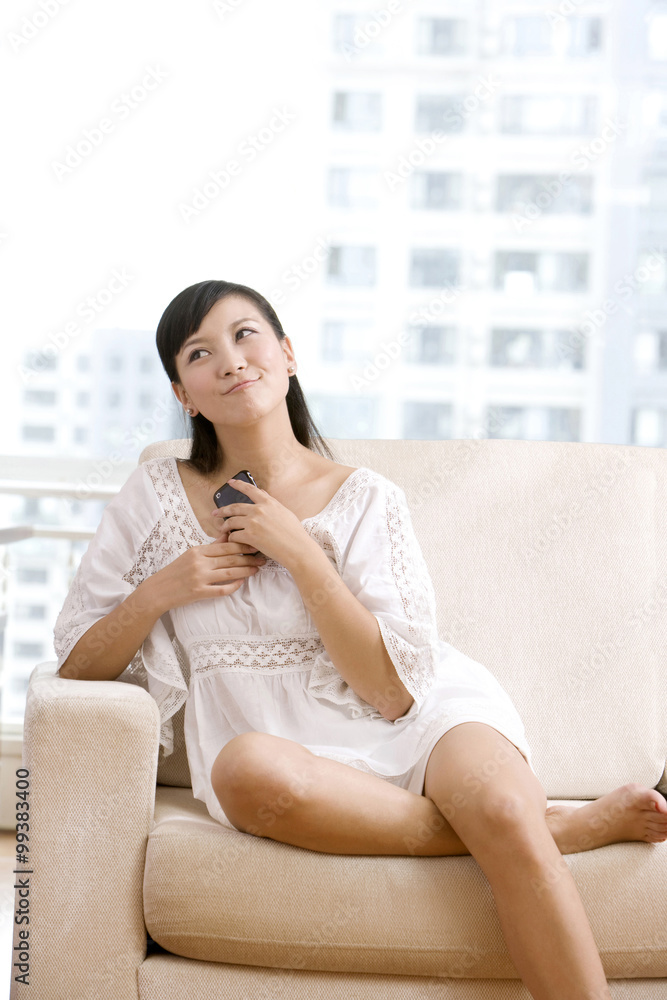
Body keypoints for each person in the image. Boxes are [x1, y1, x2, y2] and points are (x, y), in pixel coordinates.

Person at [55, 279, 667, 1000]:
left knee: (500, 805)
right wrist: (166, 587)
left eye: (246, 335)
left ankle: (513, 824)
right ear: (182, 392)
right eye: (199, 352)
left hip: (423, 716)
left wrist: (304, 556)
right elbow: (76, 664)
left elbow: (389, 691)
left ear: (286, 355)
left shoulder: (368, 496)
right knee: (244, 773)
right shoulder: (152, 496)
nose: (229, 360)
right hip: (277, 750)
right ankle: (559, 828)